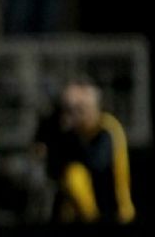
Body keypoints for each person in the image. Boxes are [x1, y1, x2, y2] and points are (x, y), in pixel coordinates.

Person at [43, 77, 135, 223]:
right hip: (76, 216)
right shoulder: (68, 133)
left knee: (75, 173)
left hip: (113, 213)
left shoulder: (108, 129)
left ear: (94, 108)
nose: (73, 115)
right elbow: (53, 169)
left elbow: (98, 165)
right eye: (68, 109)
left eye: (79, 109)